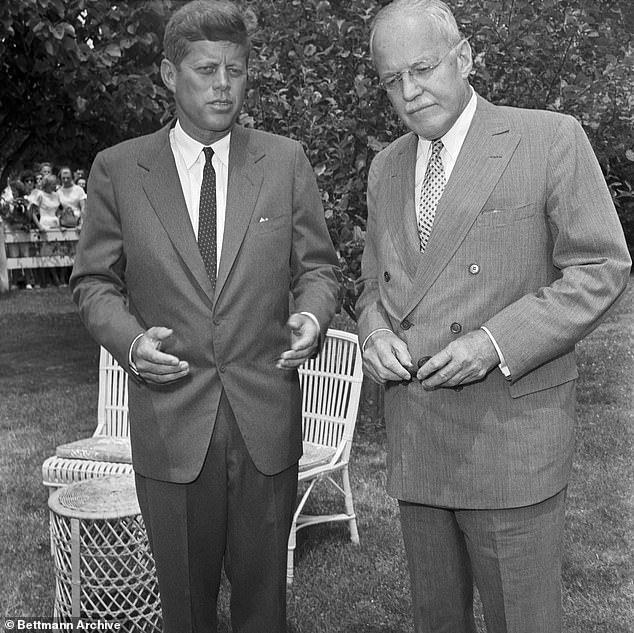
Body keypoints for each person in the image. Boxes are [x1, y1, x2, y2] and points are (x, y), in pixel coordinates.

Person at [356, 1, 632, 632]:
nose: (409, 91)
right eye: (392, 80)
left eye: (422, 68)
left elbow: (602, 268)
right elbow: (374, 282)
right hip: (418, 442)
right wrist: (372, 331)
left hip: (509, 442)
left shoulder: (548, 138)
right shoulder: (387, 165)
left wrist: (494, 340)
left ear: (465, 57)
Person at [70, 1, 341, 632]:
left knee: (263, 610)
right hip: (171, 423)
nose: (223, 85)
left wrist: (313, 314)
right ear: (168, 74)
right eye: (206, 70)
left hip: (263, 422)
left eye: (237, 71)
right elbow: (92, 282)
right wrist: (132, 342)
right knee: (185, 611)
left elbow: (320, 270)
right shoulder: (119, 170)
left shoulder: (284, 161)